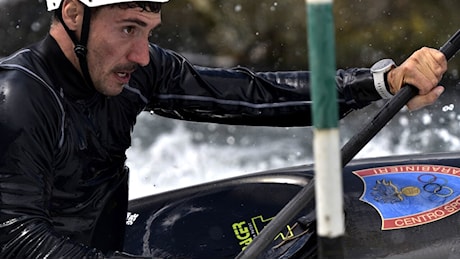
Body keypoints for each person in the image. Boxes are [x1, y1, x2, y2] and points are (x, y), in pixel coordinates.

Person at [0, 0, 448, 258]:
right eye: (129, 29)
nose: (141, 54)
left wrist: (379, 83)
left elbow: (249, 95)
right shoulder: (17, 99)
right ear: (74, 15)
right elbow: (15, 241)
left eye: (149, 32)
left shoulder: (132, 70)